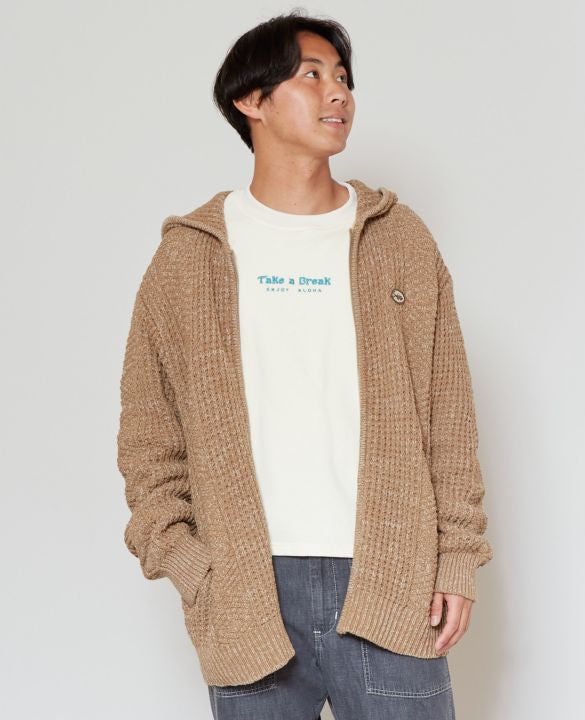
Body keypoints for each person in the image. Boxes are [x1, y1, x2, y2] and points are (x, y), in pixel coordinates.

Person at [116, 9, 493, 720]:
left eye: (343, 77)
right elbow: (148, 437)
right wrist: (194, 567)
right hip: (246, 591)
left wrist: (456, 559)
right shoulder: (189, 258)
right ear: (250, 100)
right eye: (311, 75)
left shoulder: (400, 240)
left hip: (392, 577)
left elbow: (449, 419)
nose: (338, 92)